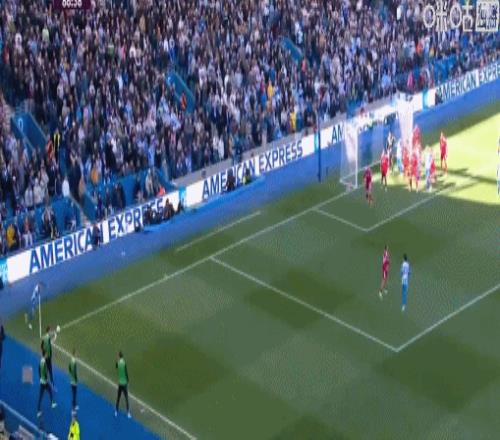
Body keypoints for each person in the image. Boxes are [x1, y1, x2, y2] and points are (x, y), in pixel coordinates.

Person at [37, 350, 57, 417]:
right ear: (44, 355)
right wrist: (46, 378)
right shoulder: (44, 363)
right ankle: (52, 403)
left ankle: (38, 411)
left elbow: (39, 370)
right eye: (46, 354)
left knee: (41, 396)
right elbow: (45, 372)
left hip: (42, 381)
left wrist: (40, 378)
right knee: (50, 390)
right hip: (44, 382)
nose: (46, 355)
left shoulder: (41, 362)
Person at [115, 351, 131, 418]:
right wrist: (128, 381)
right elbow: (126, 372)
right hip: (124, 384)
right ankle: (128, 413)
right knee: (126, 398)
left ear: (119, 356)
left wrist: (117, 360)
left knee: (118, 397)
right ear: (123, 356)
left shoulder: (118, 363)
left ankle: (116, 411)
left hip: (120, 383)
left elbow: (116, 366)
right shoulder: (124, 363)